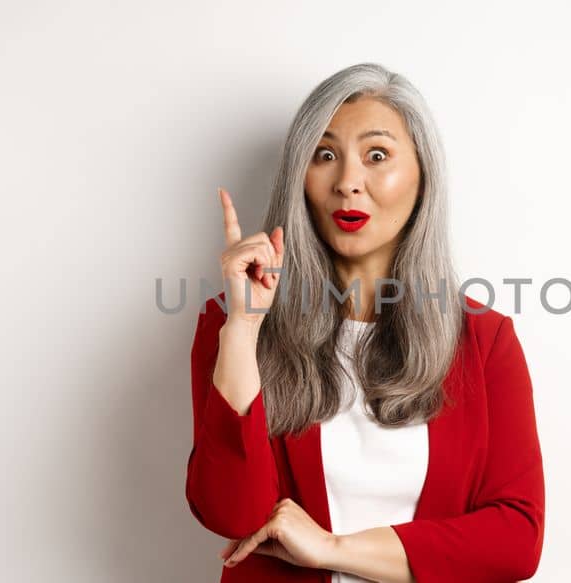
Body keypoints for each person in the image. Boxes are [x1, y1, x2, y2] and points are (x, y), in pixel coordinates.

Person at [185, 62, 544, 583]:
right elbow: (231, 514)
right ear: (298, 177)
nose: (348, 182)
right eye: (325, 155)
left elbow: (516, 542)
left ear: (422, 176)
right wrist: (243, 330)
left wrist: (331, 548)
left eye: (377, 156)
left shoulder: (484, 341)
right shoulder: (231, 323)